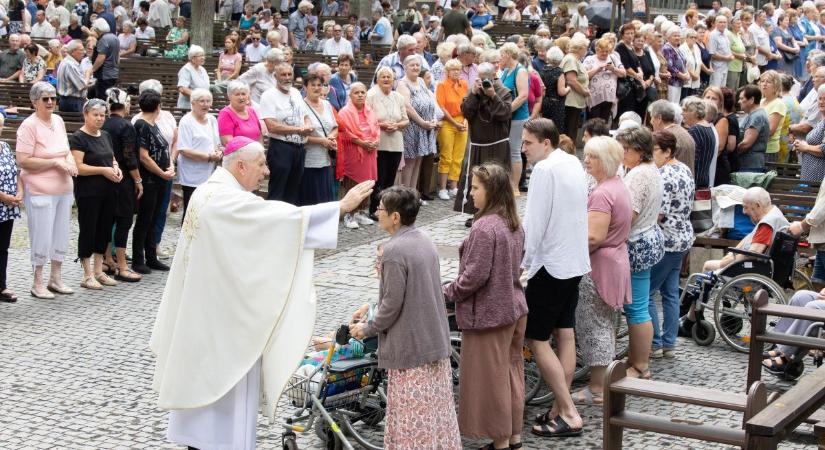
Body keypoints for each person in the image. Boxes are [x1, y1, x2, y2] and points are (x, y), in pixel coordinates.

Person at [151, 135, 375, 450]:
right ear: (240, 165)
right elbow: (279, 222)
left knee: (208, 409)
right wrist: (340, 207)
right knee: (218, 410)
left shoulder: (209, 193)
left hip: (209, 313)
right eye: (260, 164)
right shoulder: (225, 201)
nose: (267, 171)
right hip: (222, 327)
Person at [349, 186, 461, 450]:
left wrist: (368, 329)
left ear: (396, 216)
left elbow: (391, 305)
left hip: (411, 350)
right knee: (436, 416)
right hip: (434, 342)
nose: (377, 213)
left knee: (412, 421)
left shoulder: (394, 251)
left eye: (381, 209)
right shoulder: (423, 239)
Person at [442, 162, 526, 450]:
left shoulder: (485, 227)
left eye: (476, 188)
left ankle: (500, 441)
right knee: (511, 371)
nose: (470, 193)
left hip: (491, 313)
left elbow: (473, 277)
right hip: (514, 308)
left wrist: (446, 292)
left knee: (492, 379)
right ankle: (513, 435)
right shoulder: (512, 222)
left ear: (491, 191)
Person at [521, 118, 588, 438]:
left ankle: (569, 411)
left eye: (527, 143)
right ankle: (559, 408)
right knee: (565, 334)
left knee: (536, 338)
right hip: (573, 260)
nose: (522, 149)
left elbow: (534, 222)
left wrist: (522, 263)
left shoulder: (545, 170)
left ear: (546, 143)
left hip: (550, 264)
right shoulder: (572, 161)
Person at [572, 135, 632, 406]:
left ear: (606, 161)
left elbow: (593, 238)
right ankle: (604, 382)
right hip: (614, 261)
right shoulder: (618, 186)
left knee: (593, 325)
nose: (586, 159)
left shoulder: (602, 192)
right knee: (604, 325)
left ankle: (597, 387)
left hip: (599, 266)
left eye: (592, 156)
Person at [17, 82, 77, 299]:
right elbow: (23, 160)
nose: (50, 102)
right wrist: (54, 163)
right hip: (40, 188)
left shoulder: (59, 121)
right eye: (45, 99)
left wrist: (70, 162)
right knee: (41, 234)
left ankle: (56, 277)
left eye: (53, 98)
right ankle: (37, 281)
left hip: (63, 187)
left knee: (60, 233)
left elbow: (66, 150)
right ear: (35, 102)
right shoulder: (28, 126)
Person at [649, 130, 695, 359]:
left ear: (667, 152)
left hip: (667, 240)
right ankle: (668, 343)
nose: (650, 156)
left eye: (653, 151)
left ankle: (655, 343)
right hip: (683, 237)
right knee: (670, 293)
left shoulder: (664, 174)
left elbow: (658, 213)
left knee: (646, 294)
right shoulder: (684, 168)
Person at [69, 98, 120, 290]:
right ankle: (87, 273)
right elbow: (79, 167)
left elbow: (111, 157)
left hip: (108, 190)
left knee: (104, 230)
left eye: (102, 115)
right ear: (86, 115)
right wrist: (103, 170)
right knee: (88, 229)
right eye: (95, 115)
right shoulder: (78, 138)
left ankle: (99, 270)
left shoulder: (105, 135)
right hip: (89, 191)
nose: (99, 118)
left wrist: (115, 167)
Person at [453, 62, 513, 218]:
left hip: (497, 145)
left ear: (494, 75)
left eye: (486, 78)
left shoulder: (504, 92)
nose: (483, 81)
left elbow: (505, 114)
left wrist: (493, 95)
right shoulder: (474, 92)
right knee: (478, 181)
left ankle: (498, 213)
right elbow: (466, 112)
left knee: (495, 181)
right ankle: (476, 213)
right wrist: (473, 94)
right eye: (480, 77)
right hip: (478, 145)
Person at [101, 88, 142, 283]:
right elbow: (129, 157)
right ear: (126, 105)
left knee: (108, 220)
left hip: (106, 178)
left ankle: (107, 259)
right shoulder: (127, 126)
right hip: (123, 179)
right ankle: (123, 265)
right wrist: (138, 180)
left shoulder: (103, 124)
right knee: (124, 221)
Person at [132, 90, 173, 275]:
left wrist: (170, 166)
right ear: (158, 106)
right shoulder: (142, 125)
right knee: (144, 219)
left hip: (160, 179)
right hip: (149, 180)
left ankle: (151, 256)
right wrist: (162, 173)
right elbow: (144, 157)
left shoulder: (153, 124)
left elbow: (165, 148)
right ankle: (138, 258)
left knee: (154, 217)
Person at [366, 68, 408, 218]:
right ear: (377, 79)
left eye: (389, 77)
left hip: (396, 142)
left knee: (390, 179)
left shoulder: (399, 97)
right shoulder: (371, 95)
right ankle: (374, 209)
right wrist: (382, 125)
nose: (386, 79)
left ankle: (387, 209)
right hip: (380, 142)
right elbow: (367, 118)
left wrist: (396, 125)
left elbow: (405, 119)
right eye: (383, 77)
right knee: (379, 179)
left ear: (393, 80)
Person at [337, 82, 380, 228]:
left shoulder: (369, 110)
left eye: (362, 92)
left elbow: (376, 127)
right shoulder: (345, 112)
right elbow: (346, 132)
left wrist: (376, 141)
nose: (360, 95)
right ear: (350, 95)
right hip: (353, 153)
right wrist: (362, 143)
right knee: (353, 183)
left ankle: (361, 212)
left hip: (369, 152)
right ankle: (350, 214)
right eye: (356, 92)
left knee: (368, 182)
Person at [177, 89, 220, 220]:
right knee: (192, 209)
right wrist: (208, 157)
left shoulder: (212, 119)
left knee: (206, 210)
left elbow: (216, 143)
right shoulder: (186, 121)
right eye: (202, 101)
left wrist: (219, 152)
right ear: (193, 103)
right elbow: (184, 150)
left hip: (210, 172)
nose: (205, 104)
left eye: (208, 101)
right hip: (192, 173)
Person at [397, 55, 438, 192]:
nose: (415, 67)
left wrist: (433, 118)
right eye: (412, 65)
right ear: (405, 67)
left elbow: (430, 99)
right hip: (412, 127)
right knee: (409, 162)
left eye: (417, 65)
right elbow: (407, 107)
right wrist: (422, 122)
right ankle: (405, 194)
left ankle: (413, 193)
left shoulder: (421, 80)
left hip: (425, 128)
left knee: (418, 161)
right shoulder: (402, 84)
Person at [299, 73, 338, 206]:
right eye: (313, 85)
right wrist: (322, 141)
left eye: (319, 85)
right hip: (309, 158)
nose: (316, 88)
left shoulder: (327, 104)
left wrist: (331, 138)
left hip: (326, 157)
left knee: (324, 196)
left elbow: (335, 127)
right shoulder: (300, 106)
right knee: (311, 196)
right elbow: (300, 135)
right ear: (305, 87)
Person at [435, 58, 468, 201]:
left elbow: (467, 104)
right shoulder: (442, 85)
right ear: (447, 72)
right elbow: (442, 107)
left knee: (458, 157)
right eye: (453, 70)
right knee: (446, 156)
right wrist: (455, 122)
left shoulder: (464, 84)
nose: (456, 72)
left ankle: (453, 186)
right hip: (448, 123)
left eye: (458, 69)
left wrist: (465, 120)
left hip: (462, 121)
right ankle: (442, 188)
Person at [0, 116, 21, 303]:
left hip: (7, 207)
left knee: (3, 247)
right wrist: (3, 196)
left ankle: (2, 285)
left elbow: (16, 172)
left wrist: (19, 192)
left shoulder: (5, 146)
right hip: (2, 200)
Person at [583, 38, 625, 125]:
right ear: (596, 49)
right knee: (593, 123)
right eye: (602, 51)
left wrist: (613, 68)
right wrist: (598, 69)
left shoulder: (613, 58)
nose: (605, 53)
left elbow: (624, 73)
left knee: (604, 123)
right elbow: (584, 76)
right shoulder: (589, 59)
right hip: (593, 97)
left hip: (609, 97)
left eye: (607, 51)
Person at [682, 96, 718, 188]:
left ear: (694, 113)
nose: (682, 114)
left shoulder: (695, 130)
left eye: (685, 110)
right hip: (704, 182)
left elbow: (691, 159)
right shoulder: (709, 128)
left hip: (695, 184)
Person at [793, 84, 825, 181]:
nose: (822, 102)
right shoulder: (822, 119)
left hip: (818, 179)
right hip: (810, 177)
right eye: (820, 98)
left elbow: (824, 150)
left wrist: (805, 147)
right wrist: (801, 145)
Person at [561, 36, 590, 142]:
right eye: (586, 48)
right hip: (570, 102)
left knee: (571, 131)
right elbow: (571, 80)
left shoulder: (575, 60)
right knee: (569, 132)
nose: (587, 50)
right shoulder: (571, 59)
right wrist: (584, 91)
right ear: (581, 48)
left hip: (575, 101)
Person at [737, 84, 771, 172]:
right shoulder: (751, 115)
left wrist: (731, 153)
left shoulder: (757, 116)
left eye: (741, 99)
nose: (739, 101)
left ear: (751, 100)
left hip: (750, 165)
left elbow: (746, 144)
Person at [218, 81, 262, 145]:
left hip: (257, 153)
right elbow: (227, 142)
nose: (241, 97)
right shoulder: (225, 114)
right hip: (238, 153)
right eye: (237, 94)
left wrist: (260, 151)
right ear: (229, 96)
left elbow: (259, 136)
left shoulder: (252, 111)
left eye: (243, 94)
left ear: (248, 95)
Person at [759, 70, 788, 164]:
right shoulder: (761, 101)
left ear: (776, 85)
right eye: (762, 81)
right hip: (757, 147)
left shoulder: (778, 104)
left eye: (768, 82)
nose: (764, 84)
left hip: (768, 150)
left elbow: (770, 131)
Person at [540, 47, 568, 133]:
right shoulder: (559, 72)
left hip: (545, 102)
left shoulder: (543, 70)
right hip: (556, 104)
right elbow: (561, 92)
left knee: (546, 129)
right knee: (556, 130)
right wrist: (569, 88)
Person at [89, 18, 119, 100]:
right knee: (111, 97)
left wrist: (92, 70)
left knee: (103, 97)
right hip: (113, 73)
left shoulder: (103, 39)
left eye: (95, 29)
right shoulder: (114, 37)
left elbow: (100, 58)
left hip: (104, 75)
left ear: (98, 29)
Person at [176, 46, 210, 111]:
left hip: (203, 106)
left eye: (203, 55)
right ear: (193, 58)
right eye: (200, 56)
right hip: (188, 107)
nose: (203, 58)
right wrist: (199, 96)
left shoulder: (202, 69)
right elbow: (182, 89)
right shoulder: (186, 69)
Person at [662, 29, 689, 104]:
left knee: (676, 104)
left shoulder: (677, 48)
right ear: (668, 37)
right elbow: (670, 66)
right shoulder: (667, 48)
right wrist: (682, 75)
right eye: (674, 36)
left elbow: (684, 62)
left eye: (678, 36)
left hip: (679, 82)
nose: (677, 38)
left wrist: (686, 73)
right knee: (672, 104)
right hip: (672, 82)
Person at [709, 15, 734, 87]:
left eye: (724, 22)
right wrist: (727, 58)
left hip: (725, 66)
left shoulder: (725, 34)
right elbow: (712, 53)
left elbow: (727, 49)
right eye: (720, 22)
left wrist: (731, 55)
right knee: (715, 89)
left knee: (722, 90)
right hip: (717, 67)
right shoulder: (713, 35)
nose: (723, 24)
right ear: (716, 23)